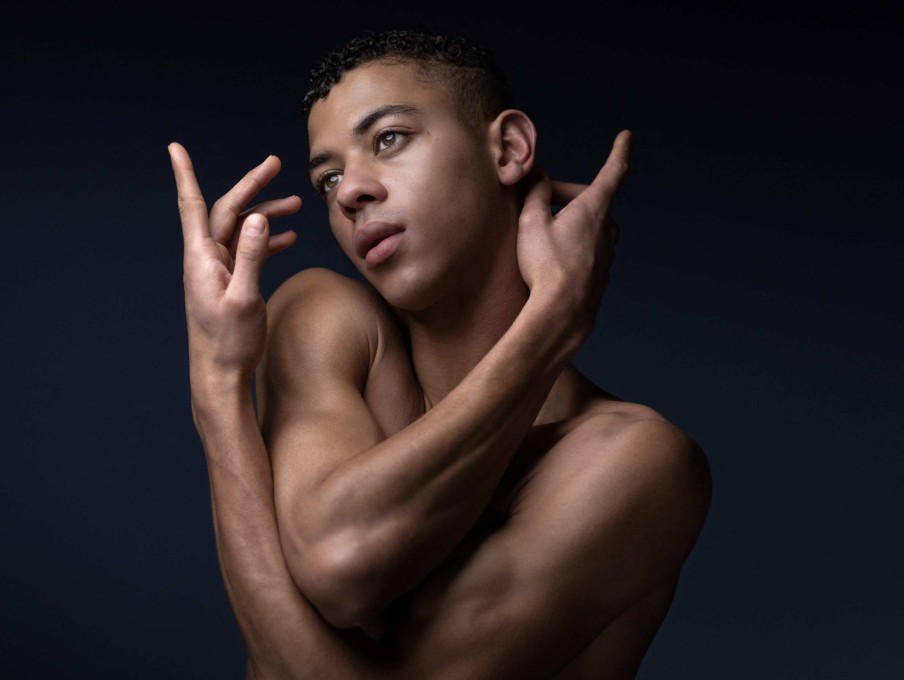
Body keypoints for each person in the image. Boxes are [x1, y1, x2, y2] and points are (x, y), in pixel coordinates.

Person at [169, 29, 711, 679]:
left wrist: (552, 323)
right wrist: (216, 381)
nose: (349, 192)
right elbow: (340, 559)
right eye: (328, 178)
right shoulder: (325, 320)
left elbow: (340, 571)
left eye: (389, 139)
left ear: (508, 148)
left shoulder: (637, 460)